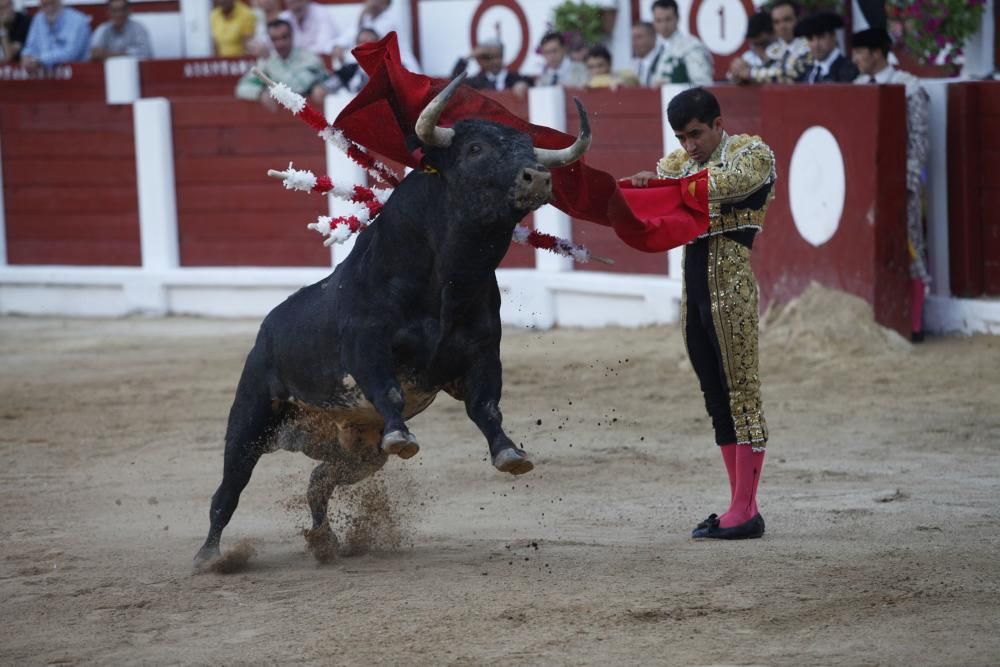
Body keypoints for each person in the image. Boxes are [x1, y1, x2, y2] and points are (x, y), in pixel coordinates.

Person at [629, 88, 774, 540]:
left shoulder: (752, 154)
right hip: (693, 292)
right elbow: (658, 199)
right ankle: (737, 505)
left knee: (742, 390)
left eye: (695, 134)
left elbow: (728, 184)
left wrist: (663, 189)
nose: (688, 146)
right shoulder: (678, 165)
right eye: (681, 137)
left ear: (717, 123)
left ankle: (746, 509)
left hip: (730, 288)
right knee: (715, 393)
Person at [851, 27, 931, 341]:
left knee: (911, 250)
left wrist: (907, 184)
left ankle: (914, 325)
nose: (855, 59)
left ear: (877, 53)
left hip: (900, 187)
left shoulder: (909, 87)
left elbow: (919, 141)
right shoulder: (855, 88)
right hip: (866, 187)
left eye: (859, 52)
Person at [237, 18, 327, 107]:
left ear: (292, 36)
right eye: (275, 39)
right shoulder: (267, 61)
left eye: (284, 37)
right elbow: (241, 88)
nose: (280, 43)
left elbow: (298, 88)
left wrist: (270, 62)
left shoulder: (309, 59)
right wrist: (260, 93)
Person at [728, 0, 809, 84]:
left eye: (787, 20)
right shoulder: (774, 50)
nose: (782, 26)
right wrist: (738, 72)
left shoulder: (809, 46)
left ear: (798, 19)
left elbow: (788, 74)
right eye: (776, 22)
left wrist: (750, 73)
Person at [649, 0, 713, 86]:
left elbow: (703, 84)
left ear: (677, 18)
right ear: (653, 22)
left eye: (668, 19)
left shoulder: (691, 46)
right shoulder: (657, 48)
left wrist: (671, 86)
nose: (664, 25)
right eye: (659, 20)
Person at [20, 0, 91, 72]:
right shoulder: (38, 19)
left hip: (78, 77)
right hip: (44, 79)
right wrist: (26, 56)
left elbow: (71, 53)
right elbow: (30, 47)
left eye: (51, 2)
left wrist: (41, 60)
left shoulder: (78, 21)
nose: (48, 5)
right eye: (44, 3)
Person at [451, 38, 531, 98]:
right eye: (488, 58)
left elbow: (533, 86)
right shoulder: (476, 81)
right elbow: (453, 84)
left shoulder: (516, 79)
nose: (493, 61)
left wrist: (523, 85)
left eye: (497, 56)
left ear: (502, 56)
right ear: (481, 60)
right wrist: (468, 56)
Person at [794, 11, 857, 83]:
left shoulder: (849, 70)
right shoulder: (806, 72)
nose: (816, 45)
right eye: (810, 38)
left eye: (821, 37)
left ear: (833, 37)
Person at [356, 0, 419, 72]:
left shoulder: (390, 21)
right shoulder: (368, 19)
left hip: (401, 64)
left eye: (379, 1)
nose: (374, 3)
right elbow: (355, 36)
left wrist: (363, 12)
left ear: (386, 5)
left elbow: (371, 38)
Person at [280, 0, 349, 59]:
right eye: (292, 3)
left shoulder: (321, 13)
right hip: (294, 64)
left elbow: (322, 47)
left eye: (298, 1)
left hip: (321, 63)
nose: (296, 6)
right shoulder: (284, 18)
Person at [324, 26, 377, 94]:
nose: (365, 46)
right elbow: (329, 87)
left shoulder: (387, 66)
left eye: (369, 42)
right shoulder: (350, 69)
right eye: (361, 42)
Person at [631, 21, 663, 87]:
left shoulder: (663, 60)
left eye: (639, 37)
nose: (634, 42)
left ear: (653, 38)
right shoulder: (633, 64)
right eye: (633, 38)